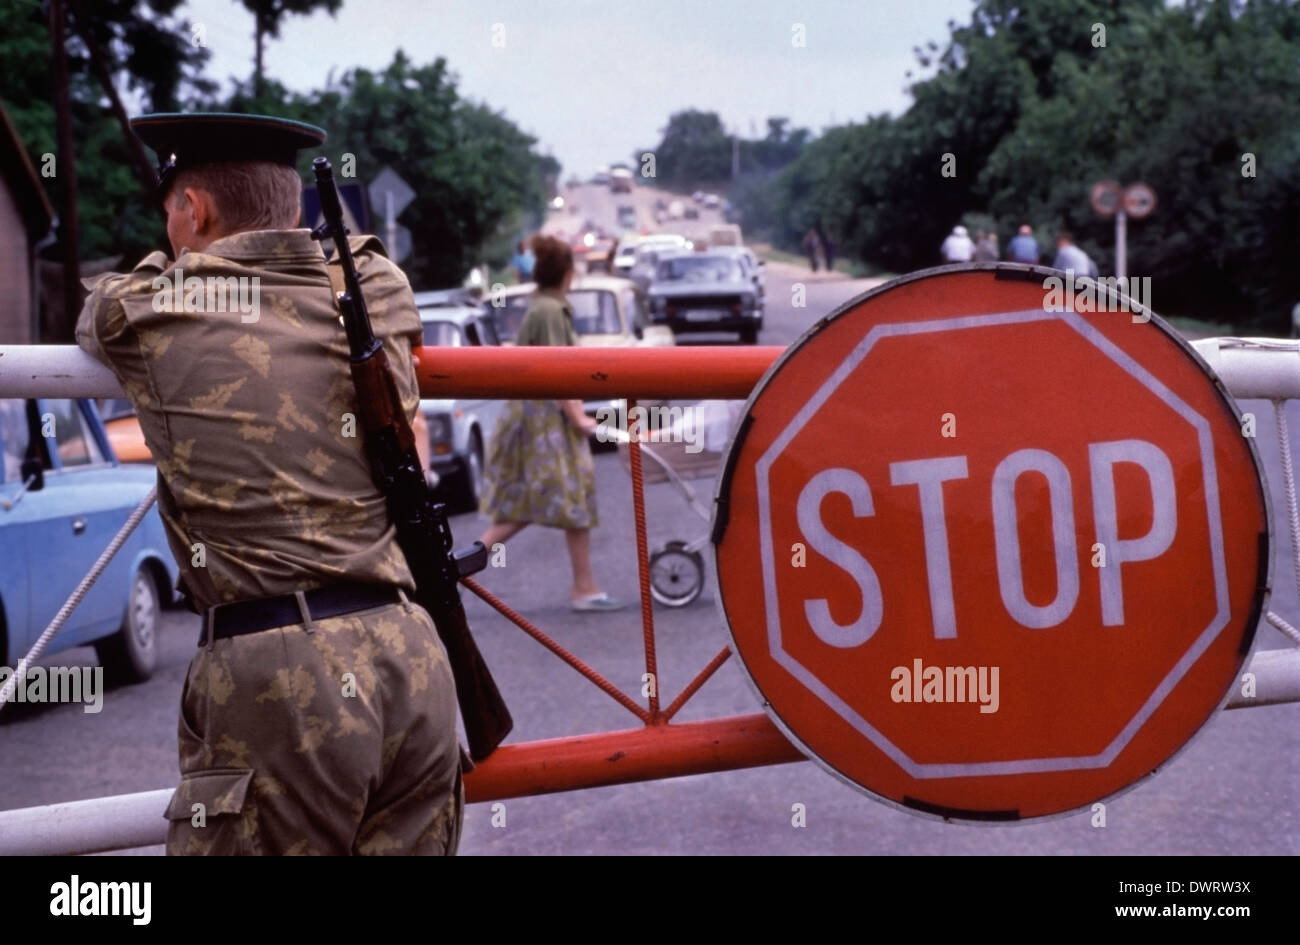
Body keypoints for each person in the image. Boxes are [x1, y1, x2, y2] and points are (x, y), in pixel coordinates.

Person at [75, 113, 463, 856]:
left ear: (195, 210)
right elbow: (362, 267)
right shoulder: (372, 285)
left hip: (278, 674)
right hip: (409, 653)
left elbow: (102, 308)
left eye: (172, 214)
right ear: (293, 208)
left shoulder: (158, 310)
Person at [478, 235, 624, 611]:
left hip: (539, 417)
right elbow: (561, 369)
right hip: (545, 421)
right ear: (568, 274)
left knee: (558, 501)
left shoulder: (542, 307)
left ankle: (584, 585)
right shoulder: (550, 311)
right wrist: (577, 415)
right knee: (558, 499)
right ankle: (454, 567)